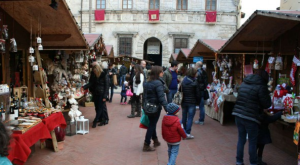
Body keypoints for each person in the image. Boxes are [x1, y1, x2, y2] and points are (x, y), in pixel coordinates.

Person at [232, 69, 272, 165]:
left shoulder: (244, 83)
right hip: (251, 117)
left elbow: (239, 98)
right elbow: (266, 104)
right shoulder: (261, 86)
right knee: (252, 141)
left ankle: (239, 161)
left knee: (241, 138)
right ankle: (253, 162)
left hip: (238, 114)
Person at [143, 66, 168, 151]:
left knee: (151, 124)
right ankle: (146, 144)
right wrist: (167, 108)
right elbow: (161, 97)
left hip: (148, 106)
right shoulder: (158, 83)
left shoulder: (147, 82)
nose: (163, 73)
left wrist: (143, 106)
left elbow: (144, 96)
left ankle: (155, 140)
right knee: (152, 125)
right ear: (158, 73)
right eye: (161, 71)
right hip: (155, 107)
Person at [83, 62, 109, 128]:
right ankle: (100, 118)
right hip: (96, 92)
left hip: (101, 93)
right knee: (98, 107)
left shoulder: (104, 75)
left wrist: (105, 96)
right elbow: (91, 83)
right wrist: (84, 87)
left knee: (102, 107)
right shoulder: (95, 75)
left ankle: (104, 119)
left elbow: (106, 86)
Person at [181, 67, 199, 139]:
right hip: (192, 101)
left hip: (184, 101)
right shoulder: (195, 82)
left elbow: (181, 90)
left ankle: (184, 131)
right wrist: (197, 101)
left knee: (184, 117)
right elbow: (197, 94)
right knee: (190, 117)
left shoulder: (184, 81)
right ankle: (188, 133)